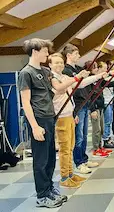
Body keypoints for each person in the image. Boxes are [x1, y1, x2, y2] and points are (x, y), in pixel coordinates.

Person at [18, 39, 66, 208]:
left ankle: (49, 188)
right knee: (41, 160)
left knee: (51, 158)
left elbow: (59, 89)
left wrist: (76, 78)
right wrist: (34, 126)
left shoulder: (46, 70)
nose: (47, 54)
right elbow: (25, 102)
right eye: (45, 51)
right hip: (38, 120)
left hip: (49, 117)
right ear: (35, 51)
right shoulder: (26, 73)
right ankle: (42, 195)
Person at [49, 53, 103, 188]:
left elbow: (81, 83)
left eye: (61, 62)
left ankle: (71, 174)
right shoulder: (51, 78)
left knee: (71, 146)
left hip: (69, 115)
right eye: (56, 63)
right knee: (65, 149)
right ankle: (64, 177)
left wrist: (99, 76)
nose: (60, 65)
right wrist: (76, 77)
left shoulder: (64, 77)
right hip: (60, 117)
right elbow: (59, 88)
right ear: (50, 65)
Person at [62, 44, 99, 174]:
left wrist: (98, 76)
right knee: (78, 136)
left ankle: (83, 159)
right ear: (69, 55)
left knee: (83, 135)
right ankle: (78, 162)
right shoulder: (66, 71)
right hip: (76, 106)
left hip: (84, 104)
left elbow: (84, 83)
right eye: (76, 54)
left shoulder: (77, 68)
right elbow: (76, 85)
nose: (78, 56)